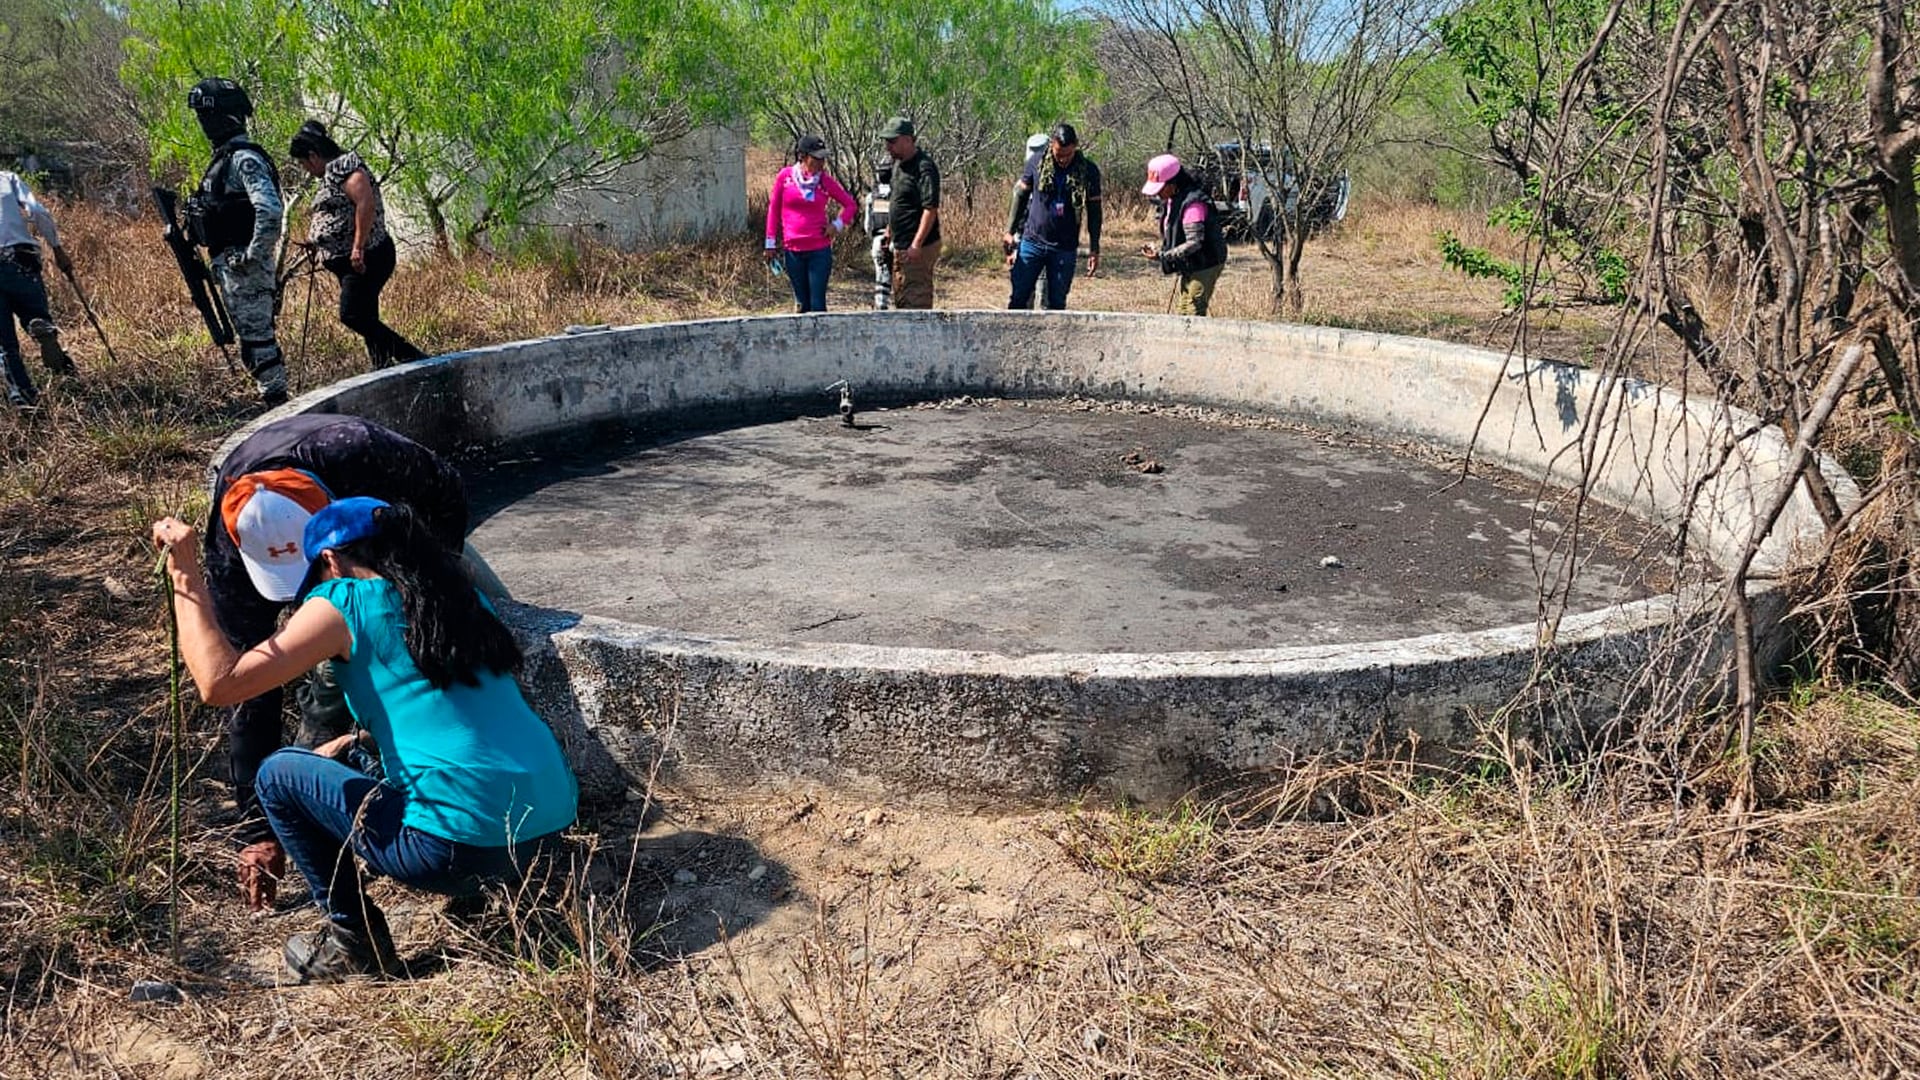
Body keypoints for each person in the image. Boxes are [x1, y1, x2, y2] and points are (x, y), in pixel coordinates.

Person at [151, 497, 578, 981]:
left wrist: (186, 574)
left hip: (457, 851)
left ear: (331, 561)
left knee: (278, 774)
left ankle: (354, 942)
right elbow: (435, 706)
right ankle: (491, 892)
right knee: (351, 756)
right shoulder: (456, 597)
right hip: (547, 830)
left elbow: (219, 683)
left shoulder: (342, 603)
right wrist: (349, 743)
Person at [202, 414, 484, 912]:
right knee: (323, 702)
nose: (305, 596)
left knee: (384, 669)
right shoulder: (230, 548)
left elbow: (447, 493)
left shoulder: (359, 452)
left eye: (312, 576)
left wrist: (424, 596)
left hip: (398, 543)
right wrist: (259, 827)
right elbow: (245, 690)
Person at [290, 120, 425, 370]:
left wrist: (357, 248)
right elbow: (338, 212)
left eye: (303, 164)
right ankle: (383, 368)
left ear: (313, 156)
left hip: (366, 258)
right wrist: (315, 240)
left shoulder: (346, 167)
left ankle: (412, 357)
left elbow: (365, 203)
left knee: (352, 315)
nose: (306, 170)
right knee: (367, 317)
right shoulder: (334, 171)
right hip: (351, 260)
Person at [187, 77, 288, 404]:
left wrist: (252, 256)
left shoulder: (244, 159)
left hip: (244, 267)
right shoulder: (224, 158)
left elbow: (270, 210)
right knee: (252, 341)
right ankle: (273, 404)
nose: (203, 124)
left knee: (260, 343)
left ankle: (278, 409)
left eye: (206, 116)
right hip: (231, 265)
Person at [0, 168, 77, 408]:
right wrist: (57, 248)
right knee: (34, 310)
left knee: (5, 344)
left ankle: (23, 394)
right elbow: (37, 211)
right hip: (20, 257)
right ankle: (41, 326)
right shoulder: (7, 178)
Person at [1004, 123, 1102, 311]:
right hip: (1032, 241)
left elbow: (1095, 212)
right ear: (1052, 145)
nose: (1063, 159)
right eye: (1059, 154)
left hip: (1064, 247)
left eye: (1068, 154)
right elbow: (1021, 196)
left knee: (1057, 303)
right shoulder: (1036, 162)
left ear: (1076, 147)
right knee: (1019, 297)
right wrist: (1010, 231)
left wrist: (1094, 248)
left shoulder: (1088, 170)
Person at [764, 134, 857, 313]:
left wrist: (836, 225)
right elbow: (774, 210)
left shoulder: (824, 181)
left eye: (823, 159)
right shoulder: (785, 177)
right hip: (793, 250)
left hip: (819, 251)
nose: (821, 163)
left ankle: (821, 340)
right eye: (817, 158)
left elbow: (850, 205)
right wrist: (770, 243)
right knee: (802, 304)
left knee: (817, 304)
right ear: (803, 156)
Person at [1139, 154, 1228, 316]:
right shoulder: (1173, 198)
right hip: (1191, 262)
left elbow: (1194, 242)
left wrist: (1163, 255)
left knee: (1193, 311)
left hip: (1205, 262)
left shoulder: (1193, 204)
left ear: (1173, 183)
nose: (1157, 194)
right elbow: (1175, 231)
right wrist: (1161, 248)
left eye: (1160, 188)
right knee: (1183, 311)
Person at [878, 117, 941, 310]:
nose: (888, 147)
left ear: (908, 139)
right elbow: (898, 201)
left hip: (918, 248)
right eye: (886, 142)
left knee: (916, 302)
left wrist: (917, 244)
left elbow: (930, 209)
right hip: (900, 244)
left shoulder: (924, 167)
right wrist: (890, 231)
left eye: (892, 142)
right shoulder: (898, 164)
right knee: (902, 297)